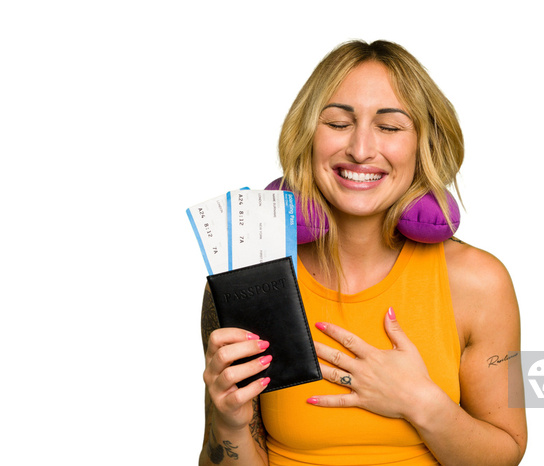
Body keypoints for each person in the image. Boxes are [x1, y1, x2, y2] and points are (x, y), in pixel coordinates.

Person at [199, 40, 527, 465]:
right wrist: (228, 422)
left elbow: (507, 454)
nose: (360, 149)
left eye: (390, 128)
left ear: (422, 144)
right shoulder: (249, 282)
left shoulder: (481, 282)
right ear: (306, 137)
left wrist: (421, 402)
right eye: (337, 123)